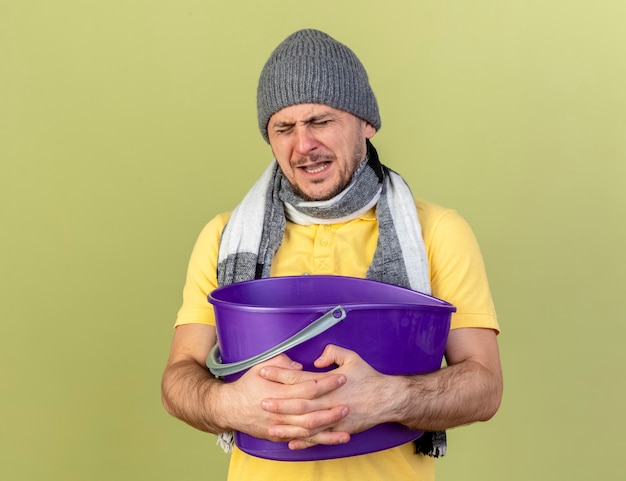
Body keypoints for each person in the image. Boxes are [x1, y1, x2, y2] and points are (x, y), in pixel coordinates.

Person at [161, 28, 502, 481]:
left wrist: (386, 398)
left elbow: (484, 385)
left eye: (320, 121)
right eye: (284, 128)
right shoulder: (224, 237)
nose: (303, 146)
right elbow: (178, 376)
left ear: (367, 123)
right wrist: (226, 403)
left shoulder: (436, 231)